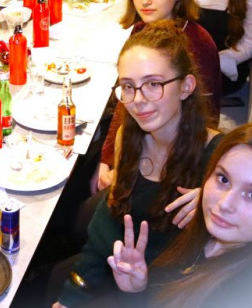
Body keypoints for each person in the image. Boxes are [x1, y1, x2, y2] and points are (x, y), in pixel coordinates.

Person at [53, 22, 222, 307]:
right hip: (121, 269)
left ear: (186, 87)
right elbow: (108, 223)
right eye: (128, 87)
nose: (138, 100)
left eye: (154, 84)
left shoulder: (220, 162)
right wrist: (73, 294)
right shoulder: (128, 138)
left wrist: (213, 210)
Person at [108, 121, 252, 308]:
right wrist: (135, 291)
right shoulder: (207, 235)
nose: (224, 204)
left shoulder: (249, 294)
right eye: (223, 179)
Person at [94, 0, 222, 193]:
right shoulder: (141, 29)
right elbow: (125, 103)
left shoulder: (197, 45)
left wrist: (125, 168)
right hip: (139, 135)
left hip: (177, 161)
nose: (145, 1)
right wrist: (107, 159)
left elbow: (205, 120)